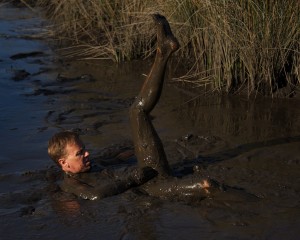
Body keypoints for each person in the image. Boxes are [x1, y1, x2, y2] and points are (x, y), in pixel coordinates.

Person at [48, 14, 214, 201]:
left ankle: (164, 52)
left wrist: (133, 150)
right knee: (137, 112)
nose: (87, 153)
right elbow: (94, 195)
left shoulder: (92, 166)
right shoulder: (70, 183)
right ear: (64, 163)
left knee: (139, 114)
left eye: (84, 148)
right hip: (151, 185)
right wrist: (131, 180)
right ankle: (163, 53)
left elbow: (116, 160)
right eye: (79, 153)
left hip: (150, 181)